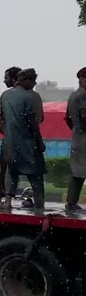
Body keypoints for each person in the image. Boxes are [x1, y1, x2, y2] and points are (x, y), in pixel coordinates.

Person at [0, 68, 46, 210]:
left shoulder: (5, 95)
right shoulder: (31, 97)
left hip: (10, 141)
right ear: (26, 80)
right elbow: (34, 121)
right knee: (36, 173)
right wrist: (39, 141)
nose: (35, 83)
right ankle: (39, 203)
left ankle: (7, 201)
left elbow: (2, 120)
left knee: (12, 171)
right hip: (27, 141)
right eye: (33, 80)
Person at [0, 66, 21, 202]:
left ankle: (1, 195)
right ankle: (8, 195)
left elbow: (2, 119)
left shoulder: (7, 96)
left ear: (14, 78)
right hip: (21, 138)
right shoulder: (27, 95)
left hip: (9, 138)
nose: (4, 81)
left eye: (6, 78)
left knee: (5, 167)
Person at [65, 67, 86, 213]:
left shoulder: (76, 96)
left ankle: (72, 202)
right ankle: (71, 203)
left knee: (79, 172)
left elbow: (68, 118)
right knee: (78, 172)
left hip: (79, 137)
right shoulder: (81, 96)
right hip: (83, 137)